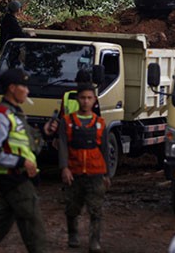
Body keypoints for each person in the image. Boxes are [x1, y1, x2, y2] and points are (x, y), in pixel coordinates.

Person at [0, 68, 58, 253]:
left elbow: (25, 145)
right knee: (36, 233)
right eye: (24, 86)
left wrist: (44, 132)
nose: (27, 91)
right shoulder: (1, 116)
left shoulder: (15, 115)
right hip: (15, 181)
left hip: (16, 180)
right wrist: (22, 163)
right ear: (12, 88)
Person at [59, 83, 111, 252]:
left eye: (89, 98)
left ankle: (94, 241)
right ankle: (73, 234)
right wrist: (64, 168)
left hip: (95, 172)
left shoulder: (101, 123)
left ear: (95, 100)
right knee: (72, 207)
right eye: (82, 97)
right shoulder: (66, 121)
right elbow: (63, 145)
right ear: (77, 99)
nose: (86, 101)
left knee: (96, 209)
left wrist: (107, 174)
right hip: (74, 172)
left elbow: (105, 148)